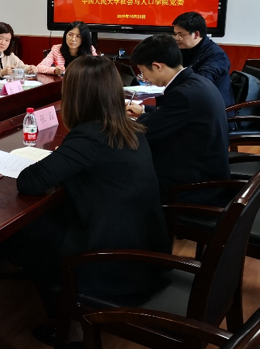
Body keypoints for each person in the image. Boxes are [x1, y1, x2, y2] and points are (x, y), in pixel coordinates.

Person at [16, 56, 169, 326]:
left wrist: (62, 157)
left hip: (111, 259)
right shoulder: (130, 127)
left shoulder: (89, 136)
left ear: (76, 96)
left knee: (26, 228)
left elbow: (29, 181)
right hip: (144, 249)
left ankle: (62, 316)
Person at [126, 34, 230, 204]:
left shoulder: (183, 94)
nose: (145, 78)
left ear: (157, 66)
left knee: (125, 175)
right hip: (207, 168)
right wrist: (143, 110)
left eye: (143, 73)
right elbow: (172, 114)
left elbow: (145, 131)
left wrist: (113, 124)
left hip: (194, 186)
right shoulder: (195, 82)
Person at [172, 11, 234, 108]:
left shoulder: (217, 55)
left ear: (196, 34)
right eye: (175, 34)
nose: (176, 38)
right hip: (192, 101)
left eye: (180, 35)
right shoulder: (185, 49)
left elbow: (201, 82)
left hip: (212, 108)